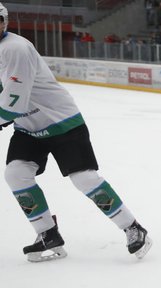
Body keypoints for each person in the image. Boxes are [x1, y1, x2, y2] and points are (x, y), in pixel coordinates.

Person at [0, 2, 150, 261]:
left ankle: (133, 228)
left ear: (5, 21)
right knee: (16, 174)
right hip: (28, 127)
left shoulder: (15, 48)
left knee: (84, 178)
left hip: (61, 121)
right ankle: (47, 233)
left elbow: (14, 101)